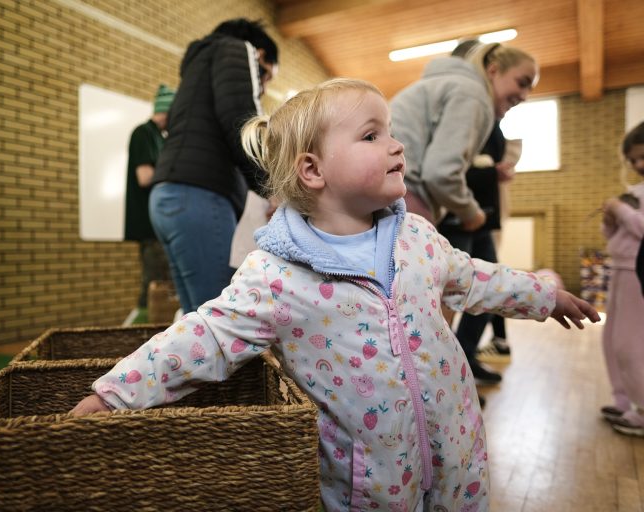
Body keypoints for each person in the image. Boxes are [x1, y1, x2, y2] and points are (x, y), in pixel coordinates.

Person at [72, 78, 599, 510]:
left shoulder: (416, 237)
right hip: (368, 486)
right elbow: (206, 335)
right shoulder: (277, 276)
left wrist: (543, 295)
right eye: (372, 135)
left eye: (391, 132)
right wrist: (116, 394)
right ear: (312, 169)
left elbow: (474, 277)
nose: (397, 145)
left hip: (457, 453)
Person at [392, 41, 537, 383]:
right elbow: (441, 172)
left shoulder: (446, 85)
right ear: (493, 70)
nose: (524, 94)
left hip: (403, 188)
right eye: (522, 82)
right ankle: (433, 387)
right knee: (429, 304)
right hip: (407, 190)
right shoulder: (472, 94)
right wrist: (471, 212)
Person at [149, 18, 278, 315]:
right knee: (219, 316)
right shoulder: (238, 49)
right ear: (259, 55)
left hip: (167, 196)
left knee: (194, 316)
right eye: (267, 76)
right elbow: (243, 124)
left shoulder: (198, 68)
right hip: (199, 197)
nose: (264, 87)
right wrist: (272, 187)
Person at [600, 120, 644, 437]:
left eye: (643, 156)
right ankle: (624, 401)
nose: (638, 165)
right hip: (619, 270)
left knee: (629, 343)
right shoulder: (635, 192)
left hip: (636, 273)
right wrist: (610, 219)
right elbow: (612, 236)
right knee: (611, 340)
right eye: (633, 159)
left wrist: (622, 210)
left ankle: (642, 410)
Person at [123, 84, 176, 324]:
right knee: (153, 285)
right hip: (148, 224)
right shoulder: (143, 133)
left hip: (160, 223)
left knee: (163, 282)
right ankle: (135, 330)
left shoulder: (161, 137)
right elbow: (144, 177)